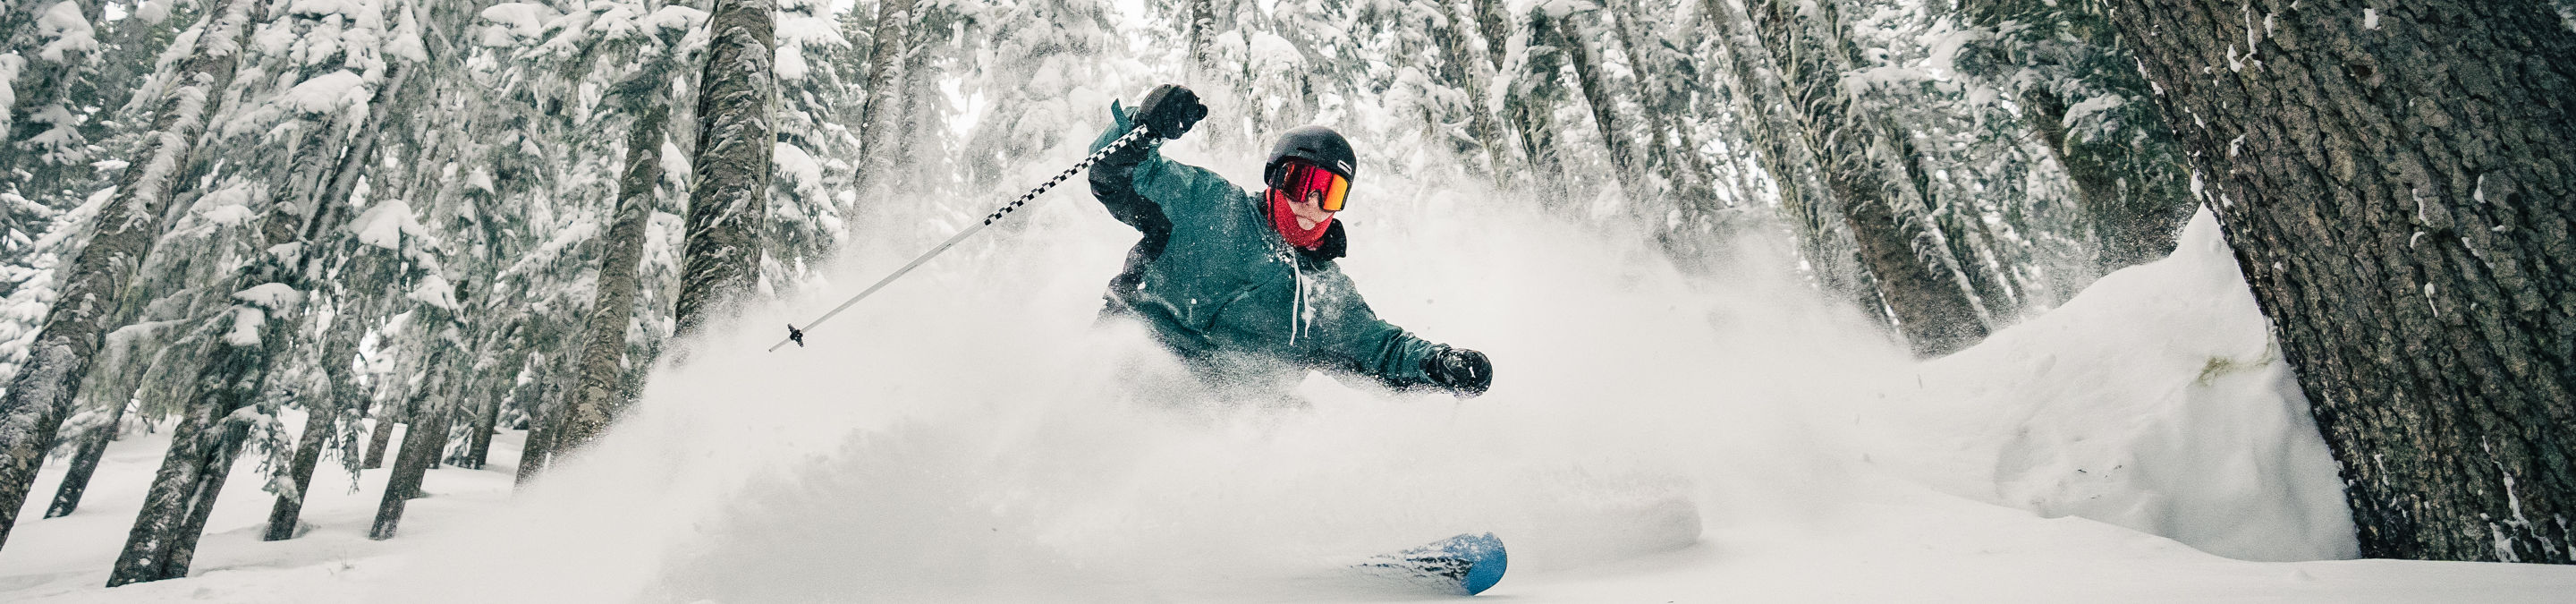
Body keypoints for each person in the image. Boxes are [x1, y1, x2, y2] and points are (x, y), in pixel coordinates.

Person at [1085, 84, 1492, 399]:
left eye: (1329, 193)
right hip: (1133, 363)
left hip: (1215, 414)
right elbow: (1115, 173)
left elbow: (1382, 349)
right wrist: (1144, 128)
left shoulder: (1324, 295)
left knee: (1293, 425)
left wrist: (1438, 363)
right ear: (1276, 178)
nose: (1312, 205)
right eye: (1302, 183)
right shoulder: (1208, 204)